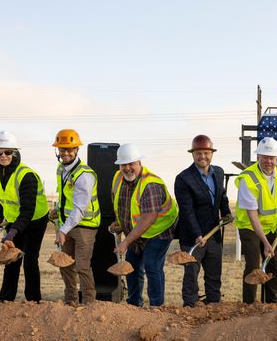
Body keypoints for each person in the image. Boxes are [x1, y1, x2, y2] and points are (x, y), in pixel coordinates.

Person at [111, 143, 178, 307]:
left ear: (139, 162)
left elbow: (149, 218)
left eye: (131, 163)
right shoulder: (118, 177)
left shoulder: (151, 184)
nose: (127, 168)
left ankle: (156, 307)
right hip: (136, 232)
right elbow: (122, 204)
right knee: (131, 265)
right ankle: (134, 305)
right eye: (123, 164)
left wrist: (126, 242)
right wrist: (120, 223)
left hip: (158, 230)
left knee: (151, 265)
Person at [0, 130, 49, 302]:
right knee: (11, 259)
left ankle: (33, 300)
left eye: (8, 152)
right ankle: (6, 299)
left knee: (30, 260)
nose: (3, 156)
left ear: (15, 153)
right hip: (14, 220)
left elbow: (28, 210)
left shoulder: (26, 175)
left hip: (35, 220)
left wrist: (12, 233)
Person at [174, 135, 232, 306]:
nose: (203, 157)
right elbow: (187, 211)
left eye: (206, 153)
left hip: (213, 235)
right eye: (198, 153)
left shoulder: (218, 172)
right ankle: (190, 309)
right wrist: (197, 234)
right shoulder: (183, 179)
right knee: (191, 275)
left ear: (212, 153)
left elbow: (222, 195)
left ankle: (213, 308)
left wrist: (226, 212)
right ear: (193, 154)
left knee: (214, 276)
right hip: (193, 237)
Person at [234, 137, 277, 304]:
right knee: (254, 265)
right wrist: (266, 243)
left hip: (271, 226)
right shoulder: (248, 178)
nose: (269, 161)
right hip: (250, 227)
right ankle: (249, 305)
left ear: (276, 158)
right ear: (258, 156)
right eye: (265, 157)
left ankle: (272, 304)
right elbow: (252, 215)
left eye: (272, 158)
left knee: (272, 264)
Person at [52, 129, 100, 305]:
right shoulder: (61, 169)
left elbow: (80, 208)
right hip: (67, 224)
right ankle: (71, 302)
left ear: (77, 150)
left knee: (82, 266)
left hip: (85, 226)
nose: (65, 153)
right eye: (62, 149)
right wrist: (57, 209)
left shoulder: (84, 175)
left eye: (69, 149)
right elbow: (65, 195)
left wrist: (62, 231)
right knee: (65, 264)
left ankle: (88, 304)